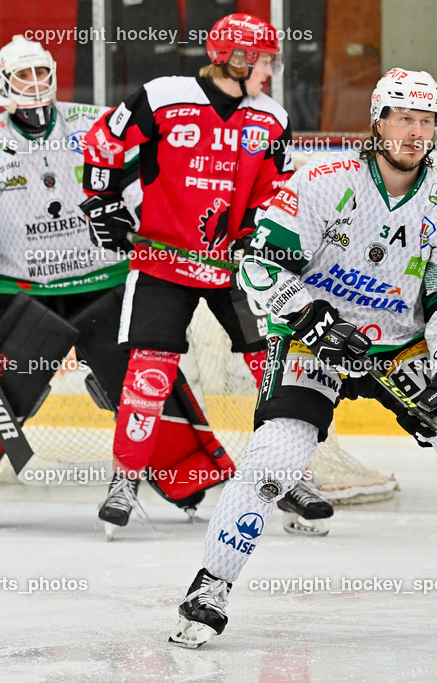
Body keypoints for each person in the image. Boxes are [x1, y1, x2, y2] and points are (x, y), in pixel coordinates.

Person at [168, 68, 437, 648]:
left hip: (401, 348)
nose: (414, 132)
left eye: (426, 122)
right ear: (377, 122)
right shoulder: (321, 183)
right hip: (312, 342)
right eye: (403, 118)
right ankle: (211, 586)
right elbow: (260, 266)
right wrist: (305, 313)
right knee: (273, 460)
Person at [0, 35, 235, 532]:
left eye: (40, 73)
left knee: (146, 382)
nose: (34, 85)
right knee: (0, 390)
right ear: (0, 84)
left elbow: (145, 186)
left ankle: (190, 479)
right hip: (23, 291)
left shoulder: (96, 123)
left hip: (108, 282)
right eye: (22, 76)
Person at [81, 13, 335, 535]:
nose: (271, 70)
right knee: (150, 370)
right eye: (264, 60)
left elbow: (279, 190)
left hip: (238, 269)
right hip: (163, 263)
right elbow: (104, 142)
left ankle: (286, 476)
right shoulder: (162, 96)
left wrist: (262, 236)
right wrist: (101, 204)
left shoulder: (271, 119)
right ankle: (126, 477)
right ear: (236, 58)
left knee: (275, 366)